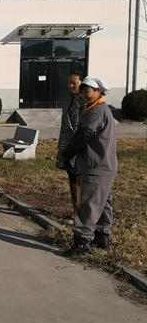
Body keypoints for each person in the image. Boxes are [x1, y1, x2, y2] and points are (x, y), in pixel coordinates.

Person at [56, 76, 117, 257]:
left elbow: (82, 137)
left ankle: (82, 242)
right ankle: (101, 236)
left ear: (99, 91)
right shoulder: (99, 109)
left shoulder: (96, 112)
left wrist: (65, 154)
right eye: (82, 90)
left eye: (87, 91)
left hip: (96, 166)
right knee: (103, 202)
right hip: (104, 165)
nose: (83, 94)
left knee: (90, 202)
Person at [55, 72, 86, 222]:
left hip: (78, 145)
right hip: (66, 144)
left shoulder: (85, 102)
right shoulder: (68, 101)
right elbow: (63, 125)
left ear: (82, 83)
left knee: (80, 177)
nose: (71, 85)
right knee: (71, 175)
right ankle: (75, 208)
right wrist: (61, 147)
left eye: (74, 82)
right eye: (69, 82)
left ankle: (83, 210)